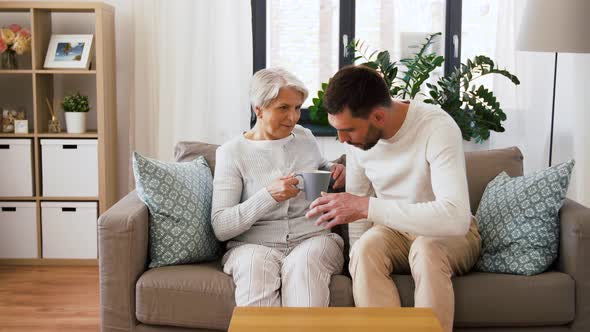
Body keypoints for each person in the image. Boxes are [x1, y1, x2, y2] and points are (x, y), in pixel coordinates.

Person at [305, 65, 481, 332]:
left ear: (377, 116)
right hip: (394, 232)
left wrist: (366, 207)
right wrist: (354, 253)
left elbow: (455, 218)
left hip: (448, 234)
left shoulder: (436, 127)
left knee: (426, 249)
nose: (341, 140)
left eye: (348, 130)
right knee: (363, 250)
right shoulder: (357, 143)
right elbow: (358, 205)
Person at [211, 68, 346, 307]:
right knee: (254, 270)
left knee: (304, 267)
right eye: (283, 108)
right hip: (252, 245)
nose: (293, 117)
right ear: (258, 109)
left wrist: (337, 171)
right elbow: (222, 226)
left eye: (296, 108)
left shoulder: (304, 137)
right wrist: (268, 196)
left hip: (313, 238)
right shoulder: (231, 153)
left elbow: (324, 167)